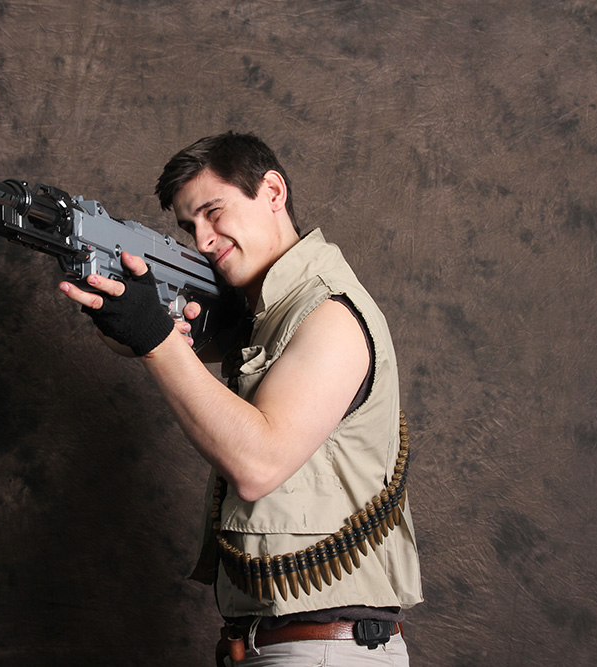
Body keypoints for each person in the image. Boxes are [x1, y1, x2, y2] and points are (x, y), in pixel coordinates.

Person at [58, 132, 422, 665]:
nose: (203, 240)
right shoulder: (263, 315)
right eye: (190, 226)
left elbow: (257, 463)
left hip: (326, 649)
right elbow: (148, 340)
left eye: (213, 212)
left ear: (273, 191)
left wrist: (153, 333)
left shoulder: (330, 315)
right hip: (267, 644)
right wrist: (111, 294)